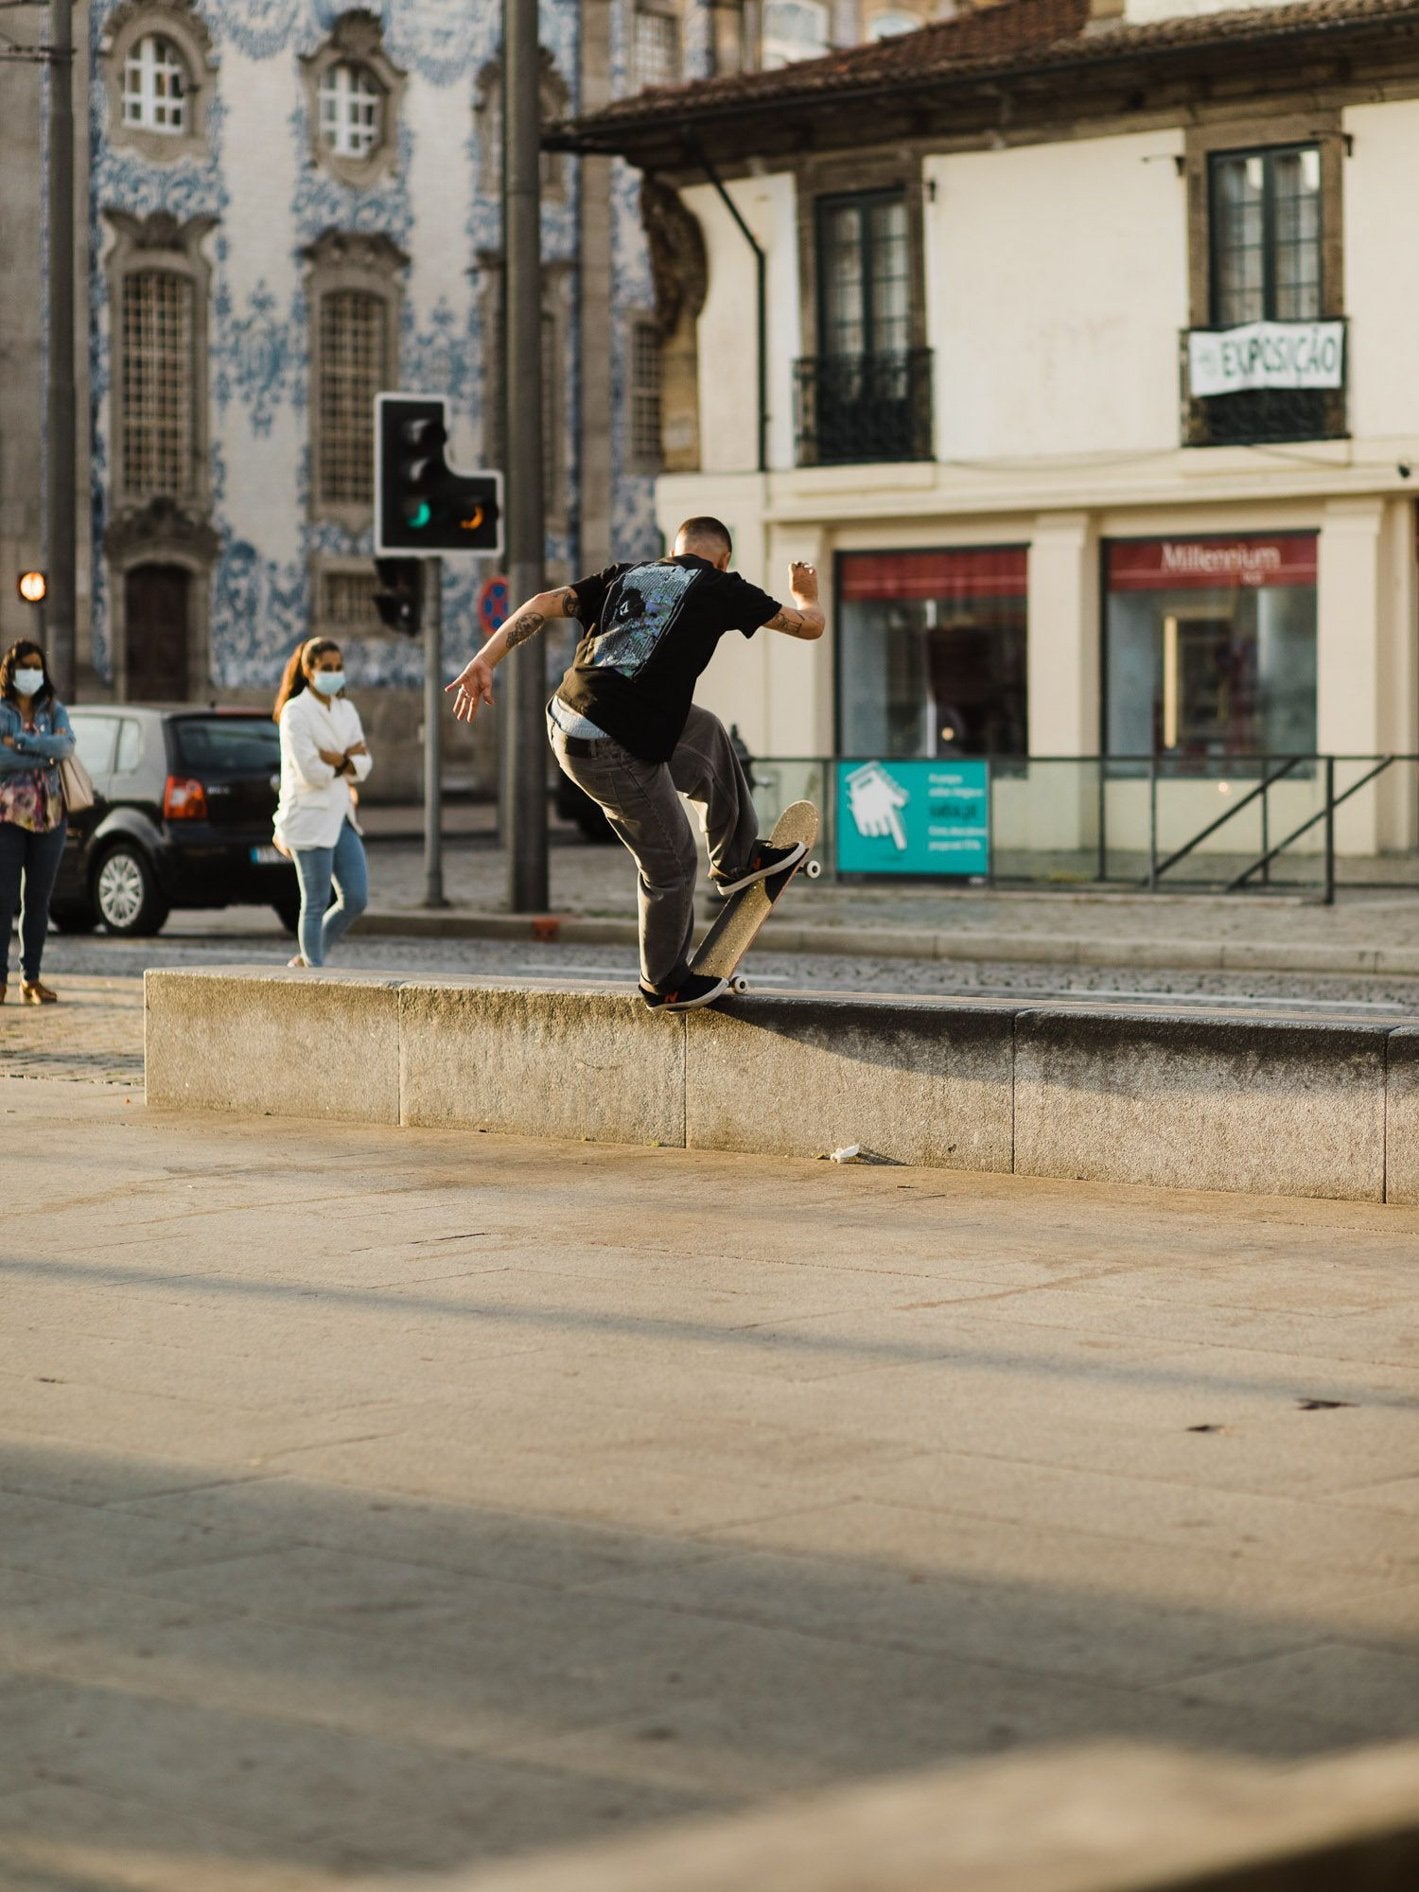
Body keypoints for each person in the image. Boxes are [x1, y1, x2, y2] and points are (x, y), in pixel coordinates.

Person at [447, 516, 824, 1011]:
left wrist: (484, 659)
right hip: (607, 743)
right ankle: (664, 982)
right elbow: (810, 627)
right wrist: (805, 594)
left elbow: (540, 604)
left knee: (704, 731)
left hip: (568, 715)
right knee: (671, 861)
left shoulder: (625, 574)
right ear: (723, 559)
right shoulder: (722, 587)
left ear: (673, 550)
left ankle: (737, 859)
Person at [272, 637, 372, 968]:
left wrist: (335, 759)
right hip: (309, 816)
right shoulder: (295, 712)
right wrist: (347, 760)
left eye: (338, 667)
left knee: (356, 897)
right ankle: (314, 972)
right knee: (314, 902)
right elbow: (311, 771)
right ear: (309, 670)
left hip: (341, 814)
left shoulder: (346, 710)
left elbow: (365, 765)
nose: (334, 673)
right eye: (326, 668)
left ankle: (307, 959)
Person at [0, 641, 75, 1005]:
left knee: (38, 900)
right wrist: (43, 752)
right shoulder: (2, 711)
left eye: (36, 666)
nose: (31, 673)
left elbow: (66, 748)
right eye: (24, 667)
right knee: (3, 899)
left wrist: (21, 742)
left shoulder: (54, 709)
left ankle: (31, 977)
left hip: (50, 816)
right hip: (8, 816)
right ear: (11, 671)